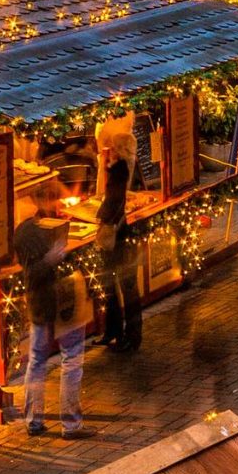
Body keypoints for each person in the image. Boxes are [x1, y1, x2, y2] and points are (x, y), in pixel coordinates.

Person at [12, 180, 88, 435]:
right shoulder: (28, 234)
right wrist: (51, 259)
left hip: (41, 306)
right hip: (57, 304)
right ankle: (71, 423)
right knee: (72, 359)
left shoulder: (26, 230)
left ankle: (34, 420)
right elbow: (33, 273)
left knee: (37, 362)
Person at [93, 121, 144, 351]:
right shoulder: (118, 168)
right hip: (119, 236)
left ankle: (129, 336)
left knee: (123, 285)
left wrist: (99, 216)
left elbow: (113, 203)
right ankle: (116, 332)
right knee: (113, 286)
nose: (108, 151)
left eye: (112, 147)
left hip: (118, 238)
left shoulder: (120, 171)